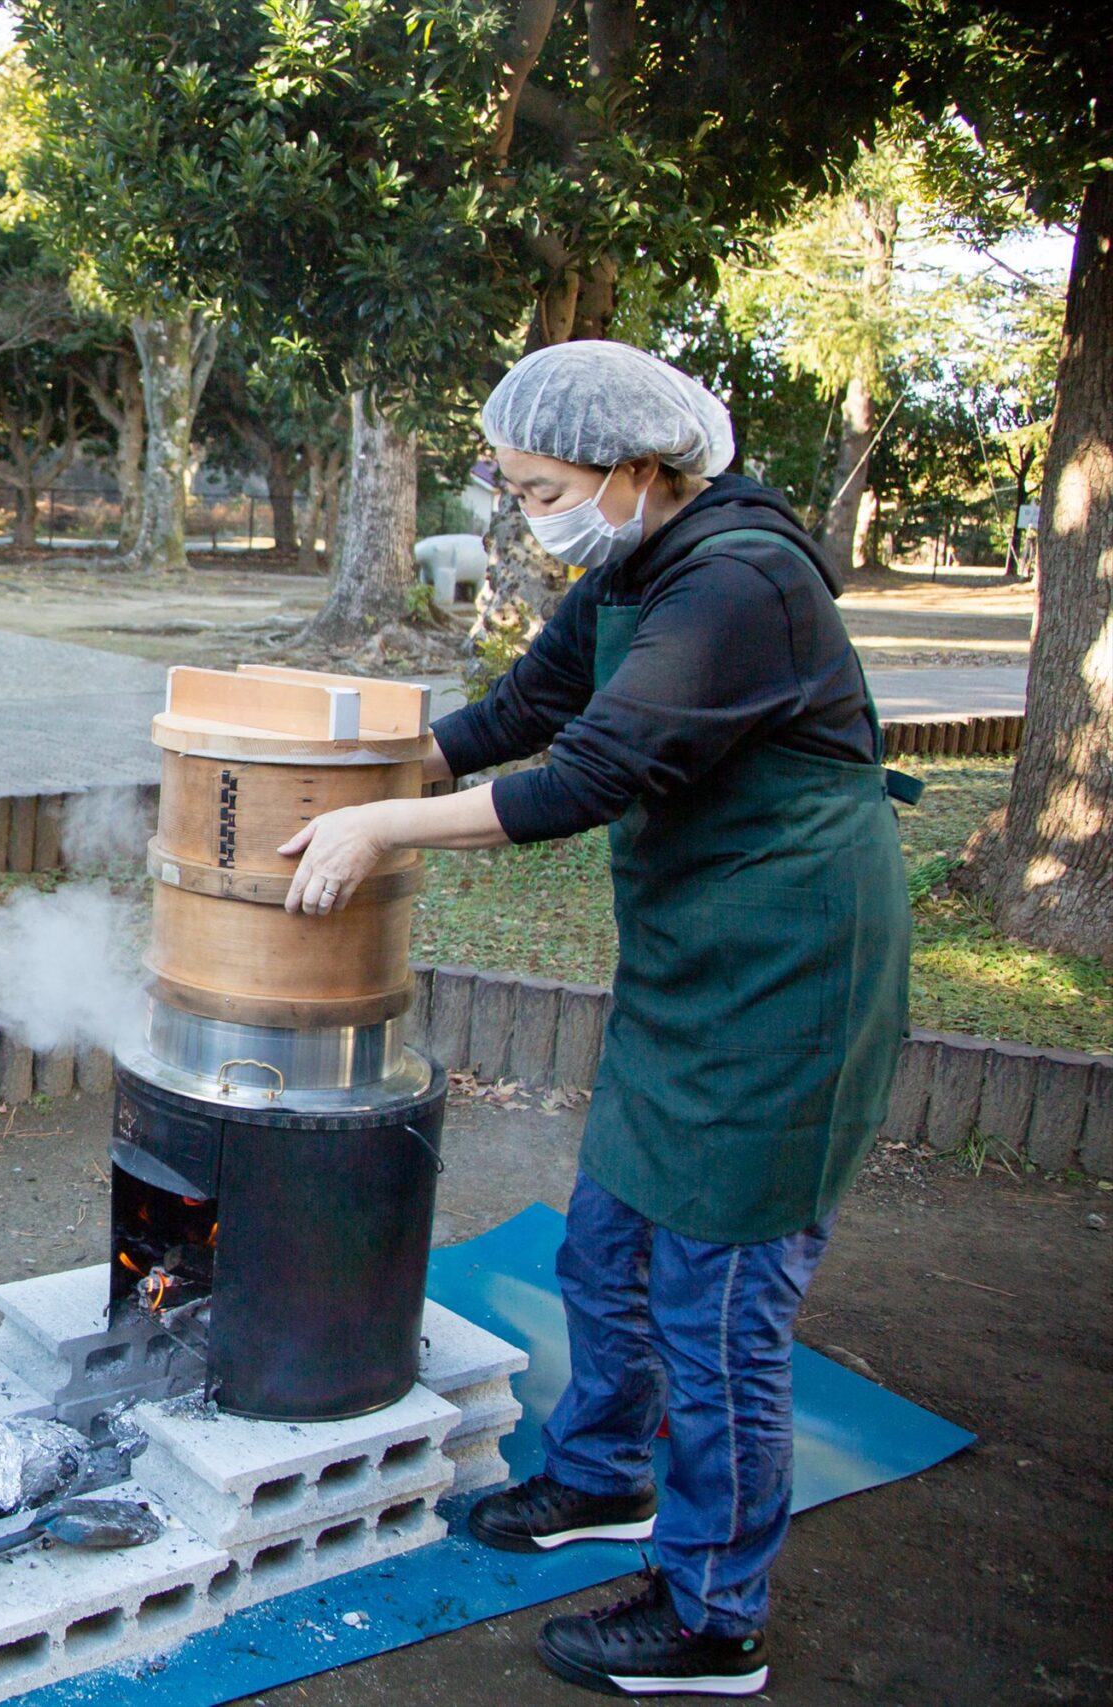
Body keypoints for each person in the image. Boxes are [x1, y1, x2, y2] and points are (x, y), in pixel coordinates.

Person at [281, 342, 911, 1698]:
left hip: (789, 980)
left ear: (636, 468)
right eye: (508, 489)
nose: (525, 514)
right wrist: (323, 770)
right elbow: (521, 710)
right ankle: (604, 1474)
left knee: (721, 1303)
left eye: (542, 485)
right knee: (612, 1237)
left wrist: (386, 824)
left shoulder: (744, 577)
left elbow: (593, 770)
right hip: (696, 960)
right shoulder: (636, 563)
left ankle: (711, 1613)